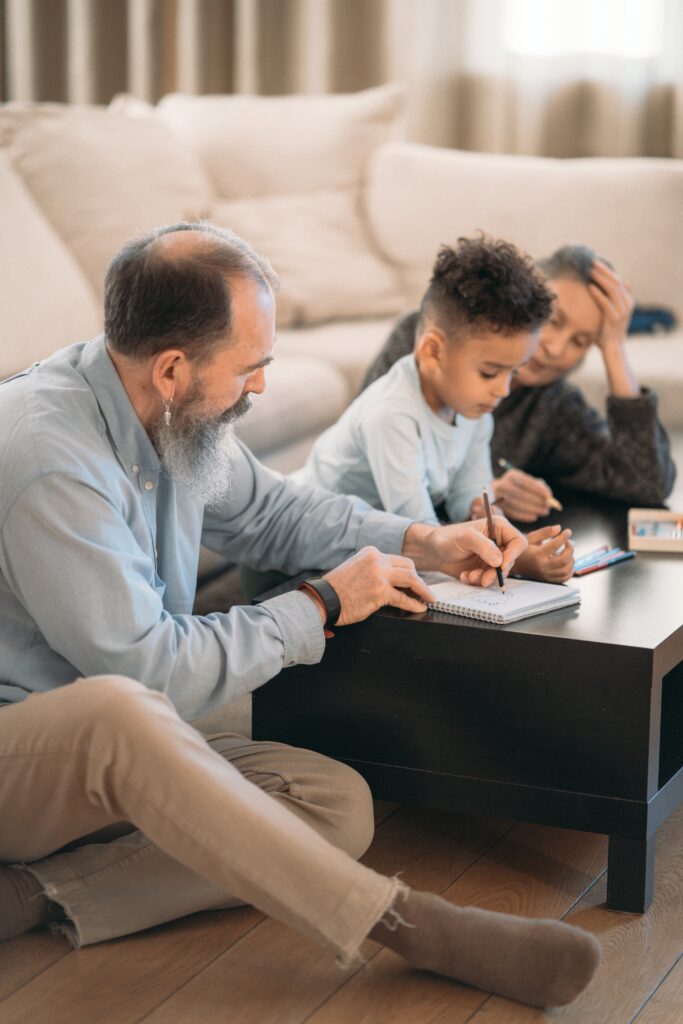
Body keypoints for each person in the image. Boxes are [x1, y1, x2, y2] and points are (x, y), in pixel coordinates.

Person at [0, 223, 601, 1009]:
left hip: (109, 740)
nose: (259, 389)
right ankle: (410, 924)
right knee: (119, 706)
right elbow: (143, 668)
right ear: (175, 367)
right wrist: (319, 603)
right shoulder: (51, 459)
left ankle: (32, 895)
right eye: (250, 369)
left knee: (335, 804)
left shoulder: (164, 410)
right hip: (33, 743)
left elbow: (273, 514)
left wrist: (422, 541)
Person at [294, 237, 575, 583]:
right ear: (432, 351)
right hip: (297, 560)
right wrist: (515, 562)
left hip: (363, 550)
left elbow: (469, 500)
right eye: (489, 372)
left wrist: (499, 532)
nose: (503, 390)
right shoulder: (392, 415)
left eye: (513, 372)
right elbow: (421, 537)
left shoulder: (474, 412)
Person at [362, 244, 676, 523]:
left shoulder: (554, 407)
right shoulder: (425, 338)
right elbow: (377, 461)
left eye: (582, 341)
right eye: (553, 320)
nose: (555, 348)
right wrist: (482, 492)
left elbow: (644, 483)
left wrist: (614, 348)